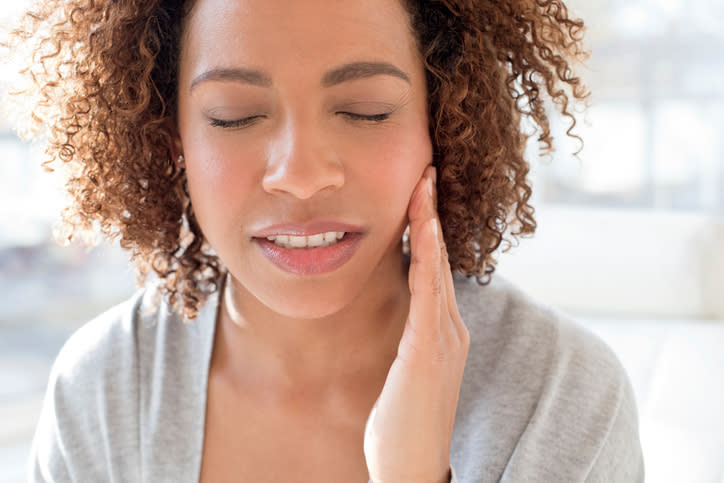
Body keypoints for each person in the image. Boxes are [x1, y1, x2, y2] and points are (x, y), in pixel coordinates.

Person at [3, 0, 644, 481]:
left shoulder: (564, 399)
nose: (302, 176)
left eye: (365, 109)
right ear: (173, 143)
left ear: (442, 121)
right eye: (235, 115)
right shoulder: (105, 390)